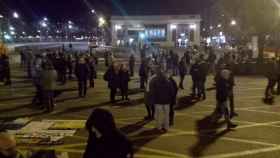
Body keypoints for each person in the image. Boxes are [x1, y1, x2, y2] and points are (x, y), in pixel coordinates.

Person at [150, 67, 175, 132]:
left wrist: (153, 100)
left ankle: (159, 127)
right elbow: (172, 92)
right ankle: (166, 127)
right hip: (167, 102)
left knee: (158, 115)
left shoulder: (155, 82)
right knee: (166, 115)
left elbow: (153, 92)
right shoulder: (169, 82)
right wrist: (171, 99)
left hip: (158, 101)